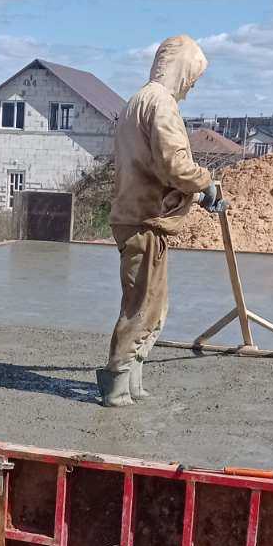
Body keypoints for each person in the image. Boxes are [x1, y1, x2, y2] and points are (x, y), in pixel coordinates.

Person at [97, 35, 227, 407]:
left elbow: (152, 168)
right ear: (181, 69)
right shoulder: (161, 104)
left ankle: (132, 380)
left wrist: (195, 196)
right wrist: (206, 183)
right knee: (142, 306)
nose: (191, 87)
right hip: (145, 220)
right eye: (193, 78)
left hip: (137, 215)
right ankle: (116, 385)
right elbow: (174, 165)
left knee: (152, 305)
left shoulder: (136, 102)